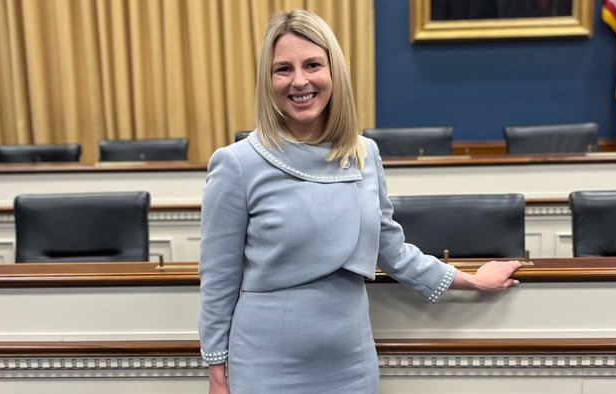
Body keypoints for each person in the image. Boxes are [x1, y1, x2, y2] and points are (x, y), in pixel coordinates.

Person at [198, 10, 521, 394]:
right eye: (282, 69)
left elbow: (392, 251)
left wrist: (471, 280)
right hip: (268, 363)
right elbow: (217, 279)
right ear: (267, 82)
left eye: (313, 64)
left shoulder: (364, 153)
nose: (299, 81)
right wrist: (217, 372)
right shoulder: (237, 163)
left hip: (351, 363)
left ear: (334, 71)